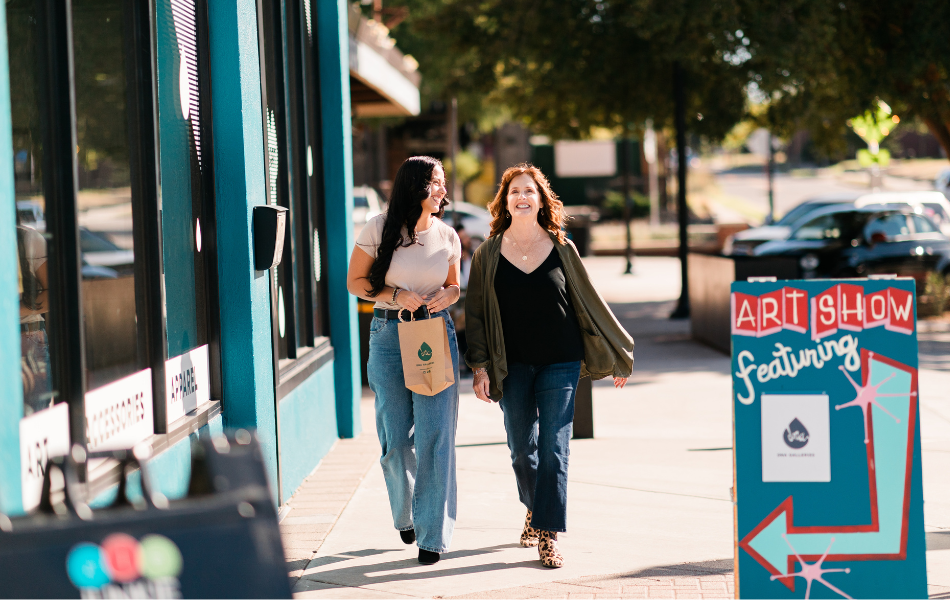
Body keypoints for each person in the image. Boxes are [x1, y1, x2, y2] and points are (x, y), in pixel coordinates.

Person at [464, 163, 634, 568]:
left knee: (555, 449)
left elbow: (591, 302)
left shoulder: (562, 248)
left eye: (529, 191)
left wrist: (618, 355)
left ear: (541, 200)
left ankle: (548, 534)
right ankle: (534, 507)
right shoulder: (487, 254)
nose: (522, 197)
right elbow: (476, 317)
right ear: (505, 202)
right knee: (522, 450)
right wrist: (481, 367)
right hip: (513, 365)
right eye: (514, 192)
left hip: (561, 360)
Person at [346, 156, 462, 565]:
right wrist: (396, 296)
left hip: (433, 334)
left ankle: (432, 536)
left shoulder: (448, 235)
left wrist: (444, 298)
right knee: (395, 438)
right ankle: (406, 514)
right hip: (389, 336)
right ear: (415, 185)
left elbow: (453, 288)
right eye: (436, 183)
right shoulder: (378, 227)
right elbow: (355, 282)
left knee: (435, 438)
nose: (443, 190)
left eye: (443, 183)